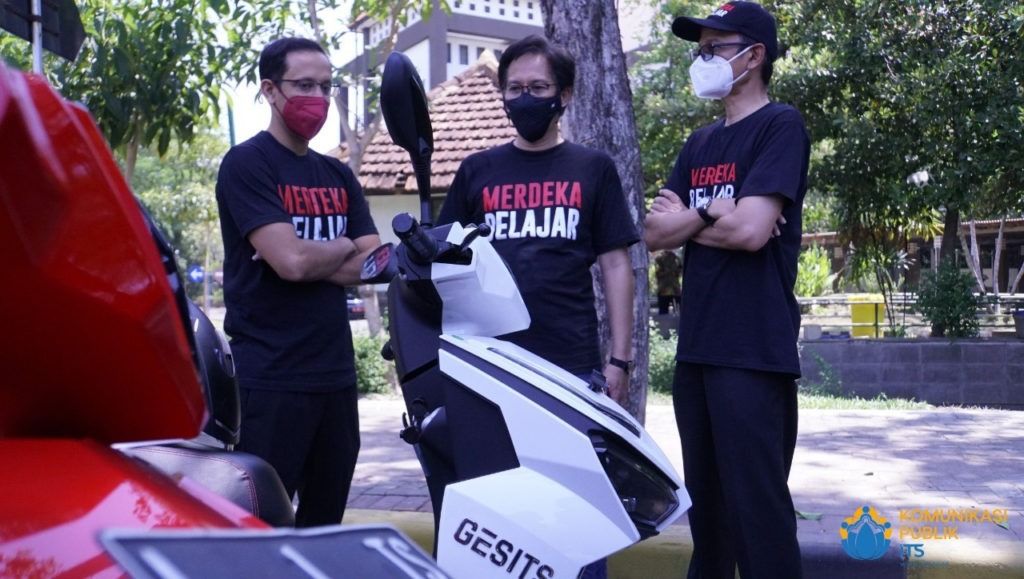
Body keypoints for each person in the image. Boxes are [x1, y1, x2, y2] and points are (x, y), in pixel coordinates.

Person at [437, 34, 638, 579]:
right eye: (515, 88)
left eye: (539, 88)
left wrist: (619, 362)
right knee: (500, 518)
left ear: (564, 95)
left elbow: (617, 265)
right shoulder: (477, 170)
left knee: (577, 517)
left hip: (569, 369)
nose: (525, 98)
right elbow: (443, 263)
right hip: (487, 371)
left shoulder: (592, 168)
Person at [644, 2, 810, 578]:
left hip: (752, 353)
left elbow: (752, 230)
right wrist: (712, 212)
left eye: (715, 47)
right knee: (708, 520)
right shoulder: (698, 144)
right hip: (697, 351)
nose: (703, 59)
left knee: (759, 519)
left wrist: (704, 219)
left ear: (754, 56)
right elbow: (653, 232)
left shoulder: (780, 125)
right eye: (700, 49)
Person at [215, 37, 381, 528]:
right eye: (304, 85)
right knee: (260, 530)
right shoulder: (248, 164)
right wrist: (341, 248)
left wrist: (311, 256)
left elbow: (376, 265)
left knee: (324, 523)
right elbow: (290, 262)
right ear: (270, 90)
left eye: (327, 86)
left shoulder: (337, 173)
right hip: (270, 379)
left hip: (335, 376)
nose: (319, 98)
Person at [654, 249, 682, 315]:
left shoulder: (676, 259)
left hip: (675, 290)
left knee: (678, 313)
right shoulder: (659, 259)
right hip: (664, 290)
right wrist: (669, 271)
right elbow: (657, 274)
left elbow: (680, 272)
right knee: (663, 312)